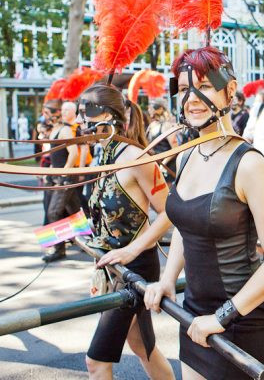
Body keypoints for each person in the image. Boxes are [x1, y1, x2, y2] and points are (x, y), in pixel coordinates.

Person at [144, 46, 264, 380]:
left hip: (242, 319)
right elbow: (186, 226)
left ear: (229, 91)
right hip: (194, 315)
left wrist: (223, 317)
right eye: (184, 89)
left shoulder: (250, 164)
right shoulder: (187, 156)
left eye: (205, 86)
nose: (192, 98)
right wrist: (168, 279)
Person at [76, 84, 175, 380]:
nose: (81, 122)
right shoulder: (103, 155)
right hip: (112, 266)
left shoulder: (137, 158)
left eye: (87, 114)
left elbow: (170, 210)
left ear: (108, 115)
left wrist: (132, 249)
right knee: (143, 347)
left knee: (96, 362)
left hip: (136, 269)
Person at [42, 99, 81, 263]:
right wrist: (49, 170)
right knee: (74, 210)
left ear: (54, 113)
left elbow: (73, 153)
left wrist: (64, 173)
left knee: (54, 212)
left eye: (46, 112)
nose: (44, 116)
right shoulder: (54, 130)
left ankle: (59, 250)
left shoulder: (65, 130)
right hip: (56, 177)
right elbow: (55, 156)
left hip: (64, 179)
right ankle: (89, 238)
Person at [146, 99, 178, 181]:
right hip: (156, 165)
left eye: (152, 107)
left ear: (160, 109)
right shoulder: (151, 126)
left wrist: (163, 164)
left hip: (167, 167)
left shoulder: (166, 125)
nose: (149, 109)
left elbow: (175, 148)